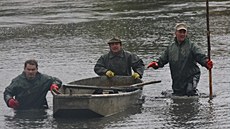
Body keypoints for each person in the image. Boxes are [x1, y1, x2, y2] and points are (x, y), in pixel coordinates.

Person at [147, 23, 213, 96]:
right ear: (175, 33)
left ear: (186, 33)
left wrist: (207, 63)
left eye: (184, 32)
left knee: (190, 92)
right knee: (178, 94)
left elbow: (200, 56)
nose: (182, 34)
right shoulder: (170, 48)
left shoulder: (192, 46)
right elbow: (162, 60)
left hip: (191, 76)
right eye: (180, 32)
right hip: (177, 79)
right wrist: (156, 64)